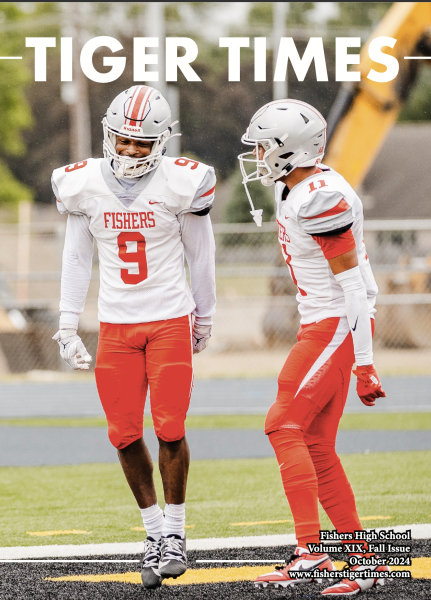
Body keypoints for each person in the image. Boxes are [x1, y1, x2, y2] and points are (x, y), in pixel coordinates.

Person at [51, 85, 216, 589]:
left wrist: (203, 317)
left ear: (162, 142)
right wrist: (66, 321)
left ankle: (176, 533)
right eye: (122, 140)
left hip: (168, 318)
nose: (129, 150)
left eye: (141, 144)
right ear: (108, 134)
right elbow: (77, 257)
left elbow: (200, 255)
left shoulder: (183, 182)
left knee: (169, 427)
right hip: (117, 325)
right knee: (123, 433)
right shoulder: (81, 185)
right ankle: (151, 532)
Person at [238, 99, 388, 596]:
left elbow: (354, 287)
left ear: (288, 150)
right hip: (324, 322)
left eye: (264, 146)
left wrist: (364, 363)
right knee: (317, 444)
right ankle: (364, 560)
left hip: (333, 324)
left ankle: (311, 552)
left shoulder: (320, 197)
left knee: (281, 424)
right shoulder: (298, 187)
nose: (258, 155)